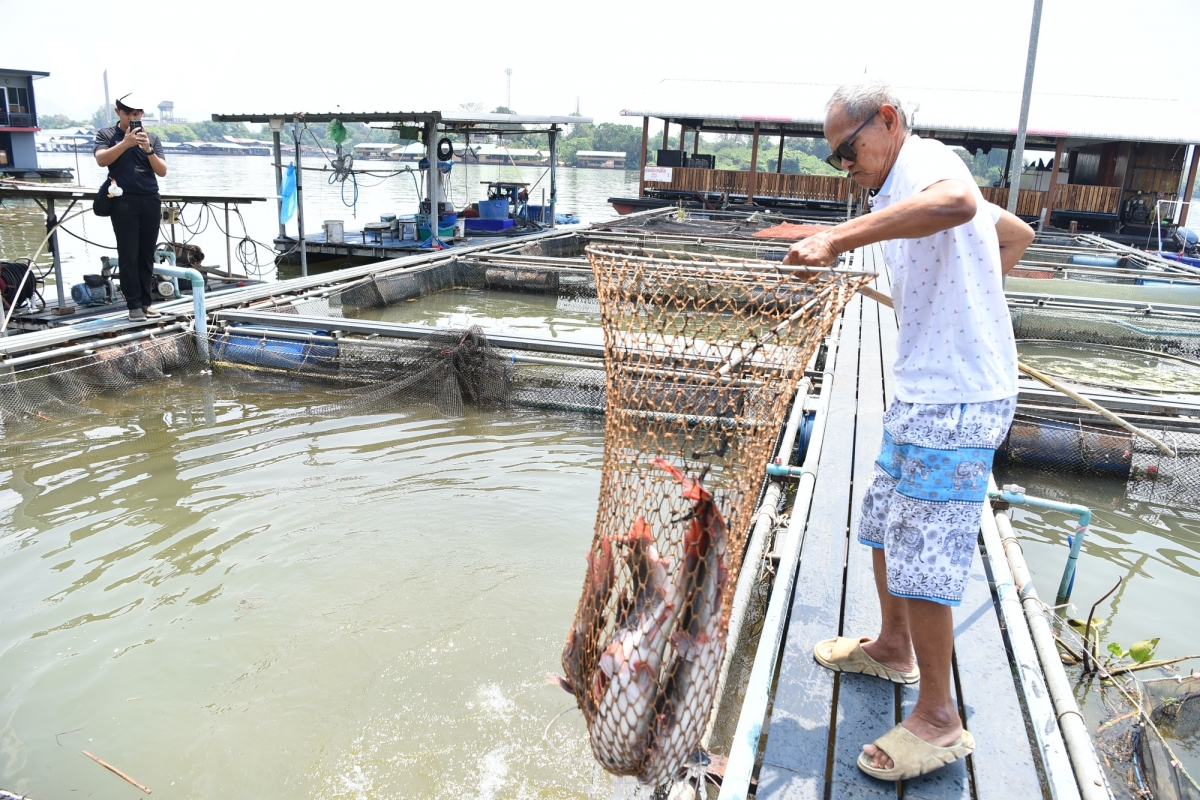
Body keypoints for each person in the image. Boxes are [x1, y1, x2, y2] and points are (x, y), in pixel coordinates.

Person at [783, 80, 1034, 781]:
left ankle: (938, 717)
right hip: (923, 390)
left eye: (848, 151)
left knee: (925, 556)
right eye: (834, 158)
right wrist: (969, 289)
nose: (844, 167)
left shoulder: (925, 164)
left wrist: (835, 238)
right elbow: (1016, 235)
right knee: (886, 523)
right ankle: (893, 647)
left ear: (887, 121)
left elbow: (958, 203)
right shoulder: (899, 184)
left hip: (958, 399)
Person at [94, 92, 168, 321]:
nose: (133, 117)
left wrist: (148, 149)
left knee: (147, 254)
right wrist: (125, 144)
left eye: (137, 113)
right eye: (128, 113)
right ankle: (134, 305)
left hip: (150, 198)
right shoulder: (107, 134)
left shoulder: (152, 138)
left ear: (142, 113)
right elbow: (101, 159)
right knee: (129, 254)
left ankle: (146, 303)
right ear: (118, 112)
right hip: (123, 200)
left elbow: (162, 171)